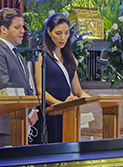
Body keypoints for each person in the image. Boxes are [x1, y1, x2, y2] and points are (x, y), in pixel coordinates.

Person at [0, 7, 38, 148]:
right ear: (3, 29)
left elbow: (26, 86)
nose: (23, 31)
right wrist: (29, 112)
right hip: (1, 126)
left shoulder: (17, 54)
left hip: (18, 122)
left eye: (22, 27)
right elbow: (4, 87)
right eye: (17, 27)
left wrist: (32, 108)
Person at [33, 13, 89, 143]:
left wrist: (95, 100)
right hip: (49, 113)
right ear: (49, 32)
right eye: (58, 33)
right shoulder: (41, 55)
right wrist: (61, 105)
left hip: (66, 113)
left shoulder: (69, 56)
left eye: (66, 33)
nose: (63, 38)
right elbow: (40, 90)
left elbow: (78, 91)